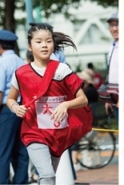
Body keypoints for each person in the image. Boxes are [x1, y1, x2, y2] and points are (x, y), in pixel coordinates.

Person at [6, 23, 92, 185]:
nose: (44, 45)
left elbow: (83, 99)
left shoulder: (62, 70)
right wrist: (15, 107)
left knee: (48, 177)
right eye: (38, 41)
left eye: (48, 41)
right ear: (30, 46)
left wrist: (65, 105)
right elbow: (10, 98)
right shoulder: (21, 73)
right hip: (33, 132)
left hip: (58, 133)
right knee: (48, 175)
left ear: (53, 43)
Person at [0, 29, 29, 185]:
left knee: (2, 153)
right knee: (20, 152)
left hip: (4, 110)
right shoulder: (21, 63)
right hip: (20, 109)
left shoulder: (0, 63)